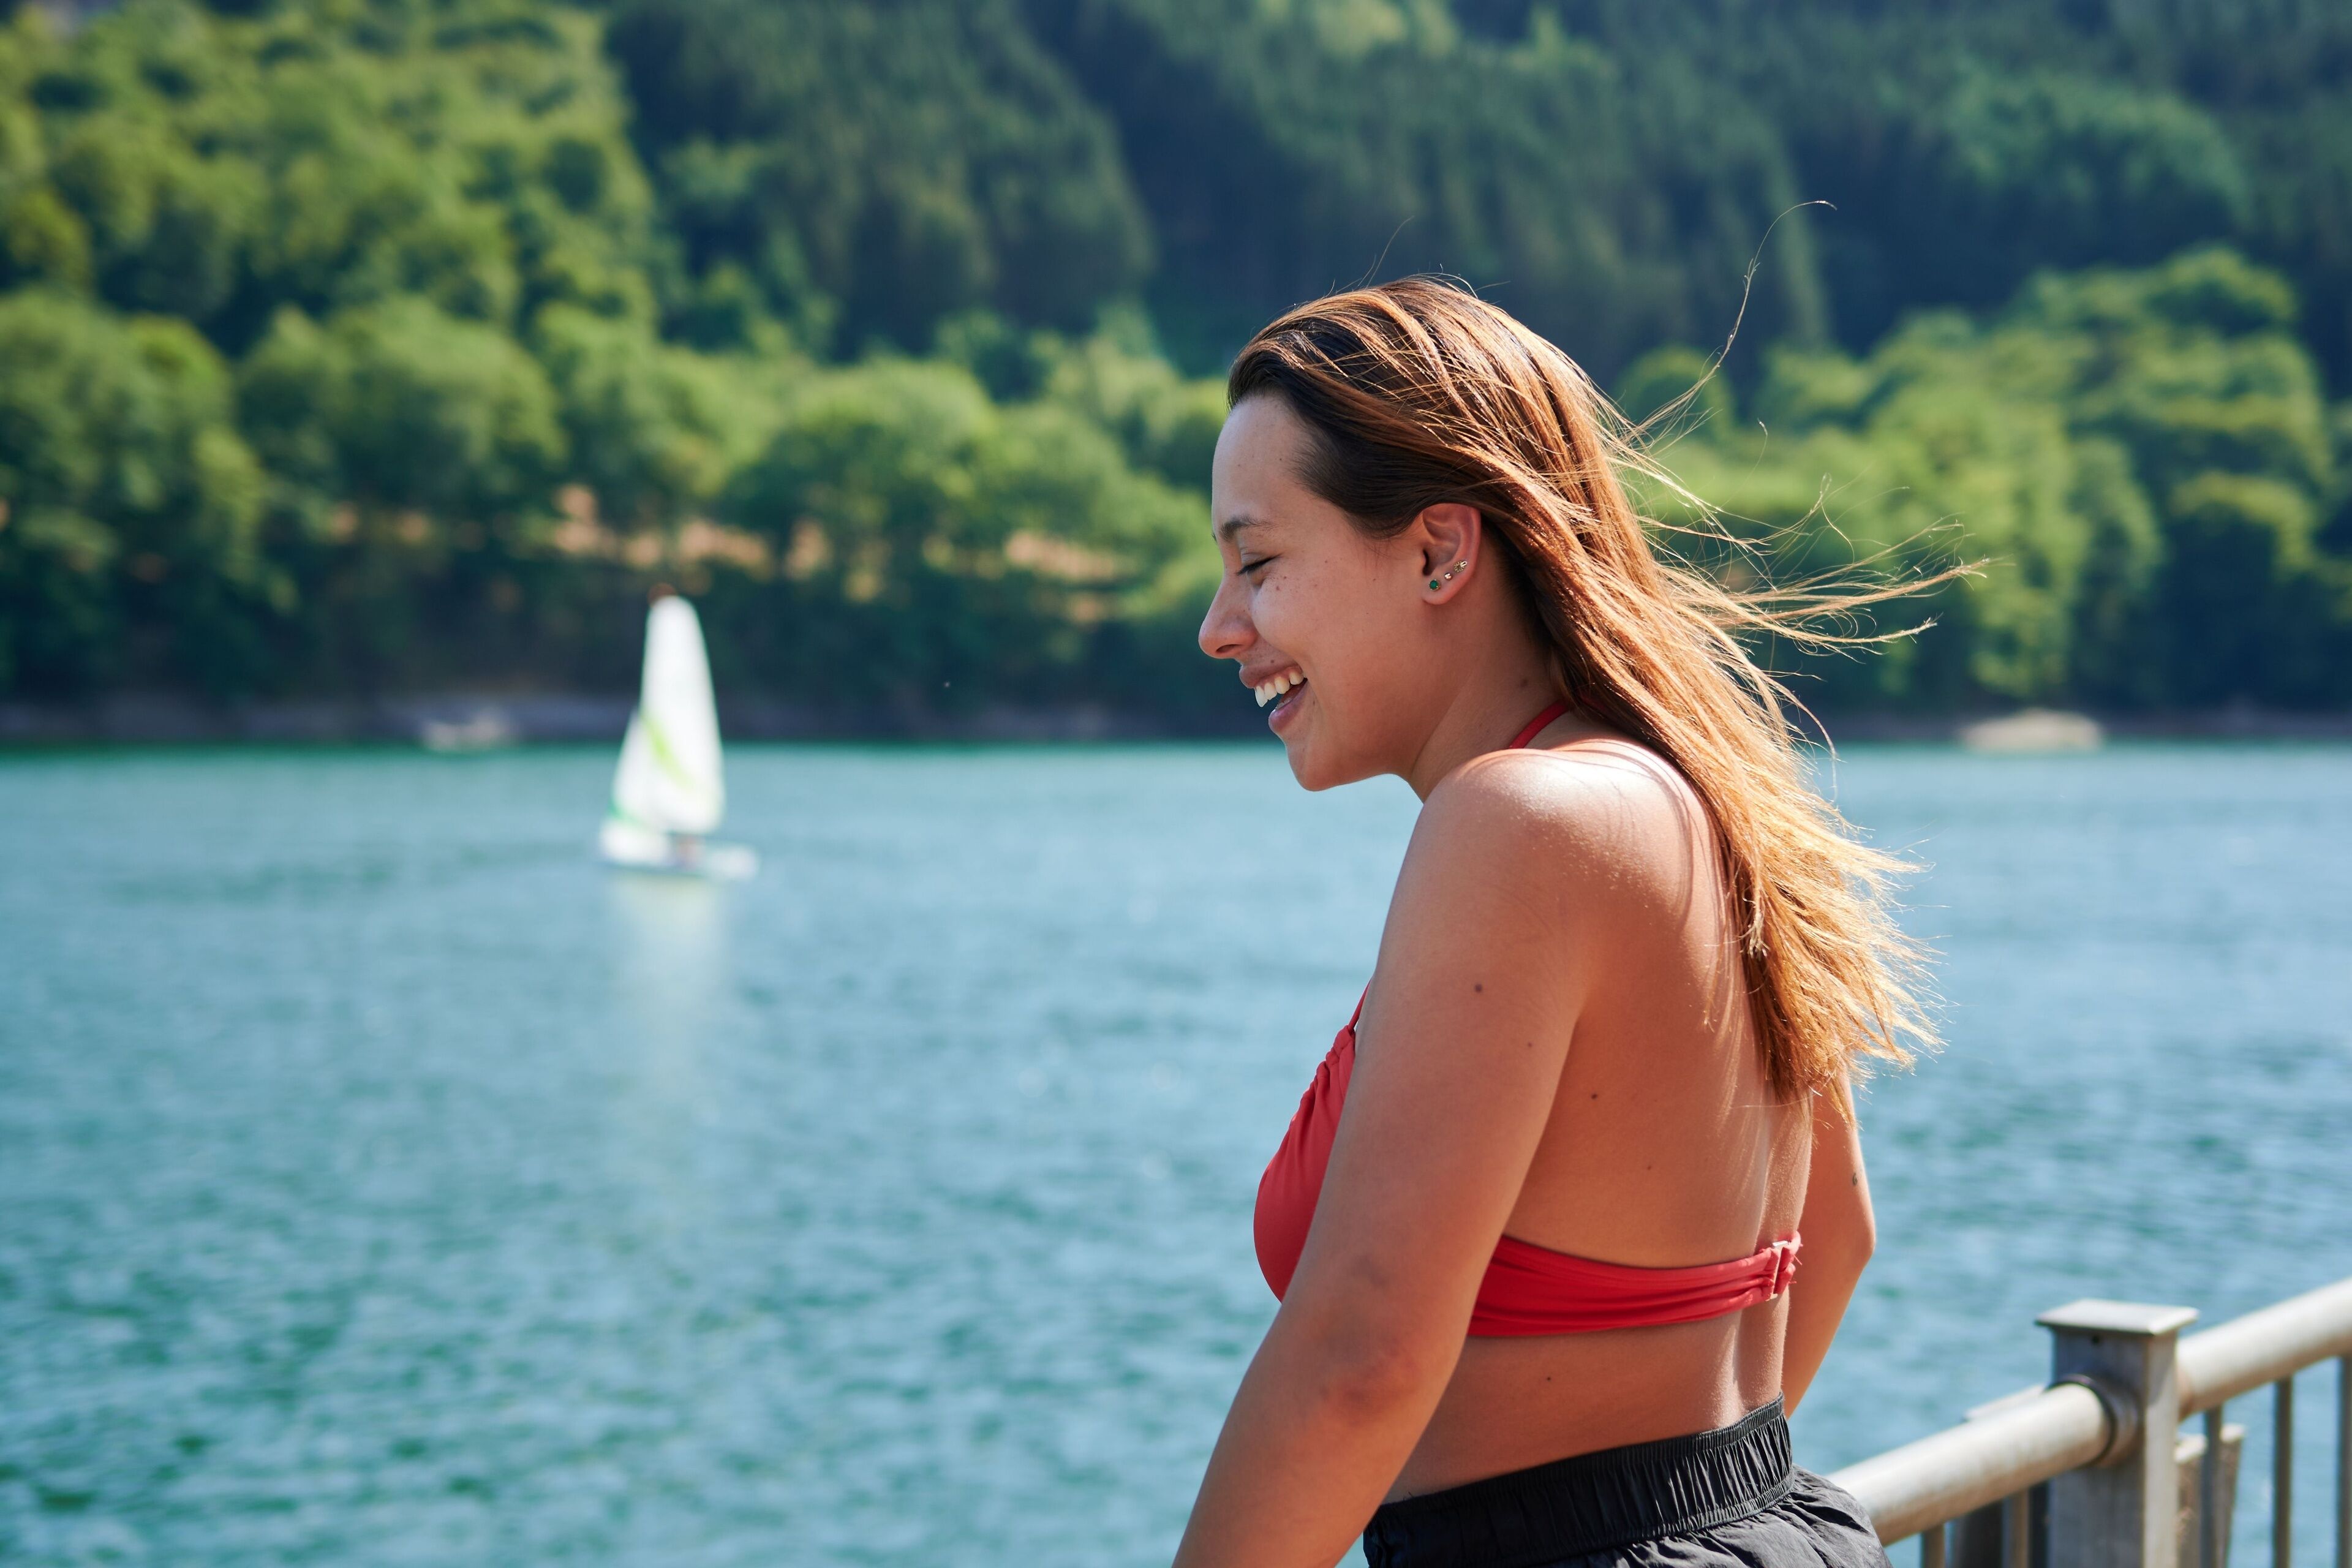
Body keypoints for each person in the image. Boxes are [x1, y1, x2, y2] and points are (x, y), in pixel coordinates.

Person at [1179, 279, 1932, 1568]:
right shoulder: (1705, 798)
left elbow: (1363, 1356)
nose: (1218, 627)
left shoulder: (1518, 822)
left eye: (1258, 562)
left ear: (1439, 551)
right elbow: (1838, 1236)